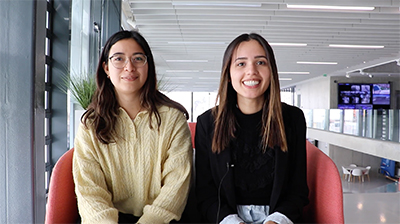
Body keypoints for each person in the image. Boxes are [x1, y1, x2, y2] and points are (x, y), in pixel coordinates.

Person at [72, 30, 193, 224]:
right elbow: (89, 190)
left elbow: (176, 187)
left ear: (148, 66)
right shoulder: (91, 125)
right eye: (118, 59)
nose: (129, 67)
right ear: (106, 68)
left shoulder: (173, 120)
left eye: (138, 58)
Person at [195, 33, 309, 224]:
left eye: (261, 62)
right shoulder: (208, 122)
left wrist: (276, 221)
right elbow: (205, 193)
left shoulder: (292, 119)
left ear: (271, 70)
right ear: (228, 74)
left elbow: (298, 191)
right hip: (226, 219)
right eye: (241, 64)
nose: (251, 71)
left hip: (279, 218)